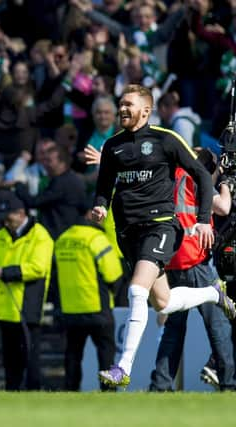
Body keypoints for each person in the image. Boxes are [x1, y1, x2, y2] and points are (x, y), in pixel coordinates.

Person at [92, 84, 236, 388]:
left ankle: (122, 368)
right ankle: (214, 293)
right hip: (129, 233)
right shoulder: (113, 147)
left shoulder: (166, 140)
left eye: (129, 104)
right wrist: (101, 207)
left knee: (136, 291)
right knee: (164, 303)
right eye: (121, 103)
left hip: (160, 228)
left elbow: (200, 174)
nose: (123, 109)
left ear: (146, 110)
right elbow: (104, 187)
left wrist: (203, 221)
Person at [149, 149, 235, 391]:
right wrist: (227, 183)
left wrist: (217, 172)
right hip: (194, 259)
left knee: (173, 328)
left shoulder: (170, 176)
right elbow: (223, 208)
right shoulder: (197, 178)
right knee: (218, 324)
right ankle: (229, 383)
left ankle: (160, 384)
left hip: (170, 260)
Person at [0, 191, 54, 390]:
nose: (5, 223)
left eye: (8, 218)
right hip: (4, 308)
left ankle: (33, 392)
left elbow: (38, 268)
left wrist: (4, 272)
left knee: (30, 357)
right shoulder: (1, 234)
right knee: (10, 360)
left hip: (26, 308)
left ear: (21, 213)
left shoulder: (40, 236)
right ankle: (12, 393)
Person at [55, 207, 123, 391]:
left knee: (73, 354)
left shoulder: (62, 239)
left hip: (70, 309)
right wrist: (113, 293)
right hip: (96, 307)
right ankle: (108, 391)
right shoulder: (96, 239)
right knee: (106, 353)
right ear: (88, 214)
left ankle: (70, 390)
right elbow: (114, 274)